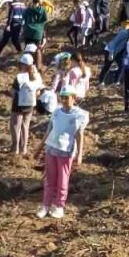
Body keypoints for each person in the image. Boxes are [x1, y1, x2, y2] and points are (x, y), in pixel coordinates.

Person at [38, 89, 90, 219]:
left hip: (66, 151)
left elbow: (79, 134)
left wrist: (79, 154)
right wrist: (39, 147)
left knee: (62, 179)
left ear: (73, 97)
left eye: (67, 97)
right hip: (51, 148)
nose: (64, 100)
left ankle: (59, 206)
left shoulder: (79, 115)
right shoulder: (56, 112)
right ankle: (46, 205)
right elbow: (49, 130)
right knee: (49, 179)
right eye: (62, 97)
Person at [10, 54, 43, 156]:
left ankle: (15, 147)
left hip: (18, 104)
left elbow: (13, 91)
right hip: (30, 104)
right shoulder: (37, 76)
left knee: (16, 126)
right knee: (25, 126)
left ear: (23, 65)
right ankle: (23, 149)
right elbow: (39, 90)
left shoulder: (20, 77)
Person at [22, 0, 49, 66]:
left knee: (28, 48)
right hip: (38, 33)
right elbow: (45, 19)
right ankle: (38, 65)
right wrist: (40, 25)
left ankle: (27, 63)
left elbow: (24, 18)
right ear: (39, 2)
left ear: (32, 2)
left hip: (28, 31)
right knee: (38, 50)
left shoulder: (27, 10)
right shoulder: (42, 10)